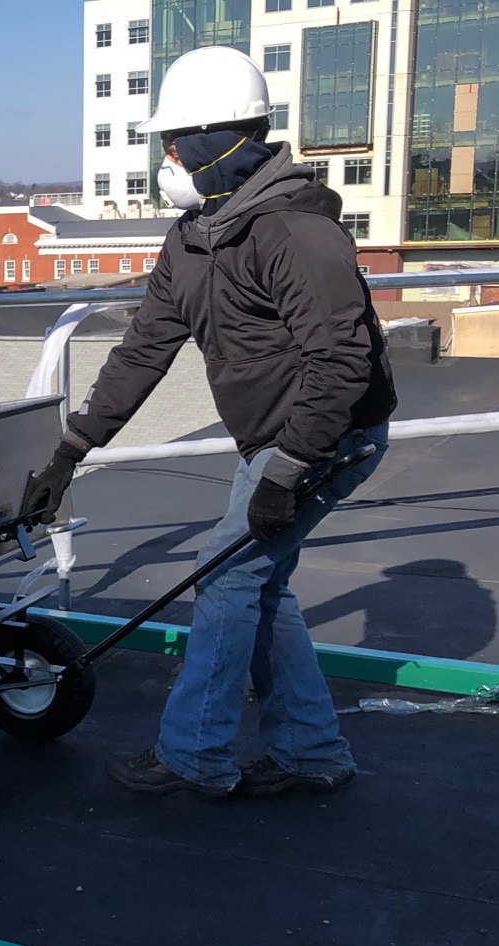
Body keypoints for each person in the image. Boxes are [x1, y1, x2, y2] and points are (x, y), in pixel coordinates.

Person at [21, 46, 396, 798]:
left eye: (174, 141)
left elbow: (341, 363)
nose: (165, 157)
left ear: (222, 139)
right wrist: (70, 451)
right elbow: (142, 351)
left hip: (329, 435)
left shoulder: (293, 231)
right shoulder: (192, 237)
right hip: (275, 439)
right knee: (259, 584)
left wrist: (286, 472)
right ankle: (312, 752)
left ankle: (194, 755)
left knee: (225, 579)